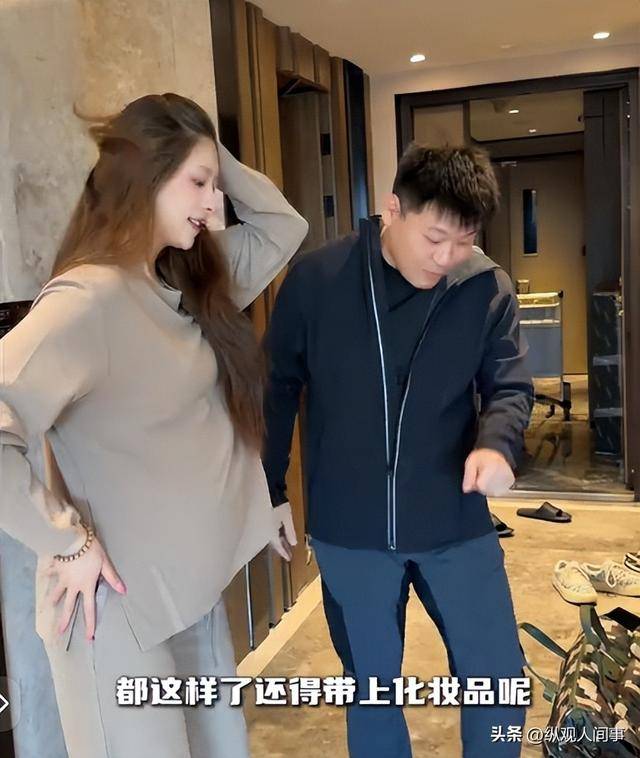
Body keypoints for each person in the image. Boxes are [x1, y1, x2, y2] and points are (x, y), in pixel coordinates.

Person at [0, 93, 307, 758]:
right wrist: (67, 541)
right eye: (198, 183)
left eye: (215, 186)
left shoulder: (187, 284)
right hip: (116, 611)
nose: (213, 203)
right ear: (146, 175)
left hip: (187, 592)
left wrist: (210, 151)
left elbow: (284, 226)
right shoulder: (88, 300)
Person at [263, 143, 534, 757]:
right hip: (350, 529)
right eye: (434, 238)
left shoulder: (484, 286)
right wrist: (270, 488)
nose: (446, 257)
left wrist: (496, 445)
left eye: (464, 241)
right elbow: (275, 388)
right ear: (393, 210)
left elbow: (509, 386)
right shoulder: (320, 280)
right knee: (372, 688)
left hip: (452, 519)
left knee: (498, 679)